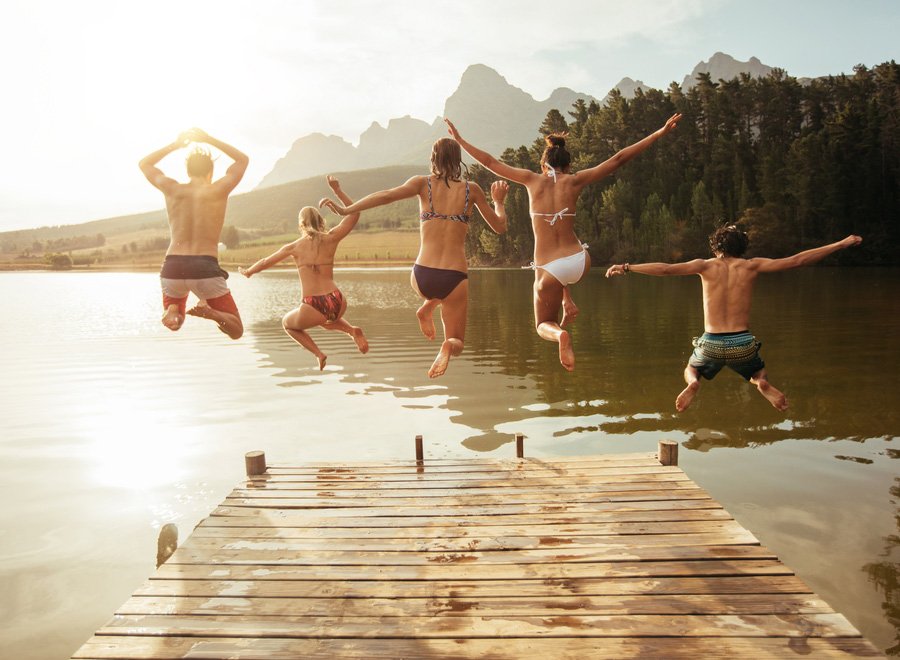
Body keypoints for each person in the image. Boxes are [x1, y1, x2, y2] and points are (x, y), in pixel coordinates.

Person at [446, 114, 681, 372]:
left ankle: (560, 336)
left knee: (542, 324)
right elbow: (618, 159)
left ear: (544, 165)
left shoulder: (531, 180)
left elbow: (490, 161)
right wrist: (659, 133)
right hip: (580, 260)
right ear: (568, 166)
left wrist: (459, 140)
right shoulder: (575, 181)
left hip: (552, 269)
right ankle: (566, 300)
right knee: (560, 261)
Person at [605, 226, 863, 411]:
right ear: (742, 247)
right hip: (742, 342)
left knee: (692, 367)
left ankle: (694, 383)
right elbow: (797, 260)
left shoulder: (704, 266)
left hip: (711, 343)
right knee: (757, 370)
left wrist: (627, 267)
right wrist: (841, 243)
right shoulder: (751, 265)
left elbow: (666, 269)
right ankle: (762, 382)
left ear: (716, 247)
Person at [318, 138, 508, 378]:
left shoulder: (422, 184)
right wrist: (499, 202)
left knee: (431, 291)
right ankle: (445, 341)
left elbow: (386, 195)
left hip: (422, 275)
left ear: (433, 159)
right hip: (455, 277)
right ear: (458, 159)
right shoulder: (473, 190)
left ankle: (428, 304)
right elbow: (500, 227)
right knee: (456, 340)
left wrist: (347, 209)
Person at [239, 176, 369, 370]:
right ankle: (351, 330)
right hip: (337, 299)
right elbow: (355, 214)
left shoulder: (293, 247)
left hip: (313, 304)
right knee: (325, 320)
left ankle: (319, 353)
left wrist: (249, 271)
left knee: (288, 324)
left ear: (301, 224)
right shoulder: (331, 237)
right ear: (321, 221)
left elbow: (266, 262)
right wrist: (337, 191)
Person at [138, 128, 249, 339]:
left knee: (176, 321)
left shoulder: (172, 189)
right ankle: (212, 313)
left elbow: (145, 164)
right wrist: (209, 139)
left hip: (172, 267)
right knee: (236, 330)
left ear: (188, 171)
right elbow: (242, 160)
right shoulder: (219, 189)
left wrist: (175, 145)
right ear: (210, 172)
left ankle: (173, 311)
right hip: (203, 267)